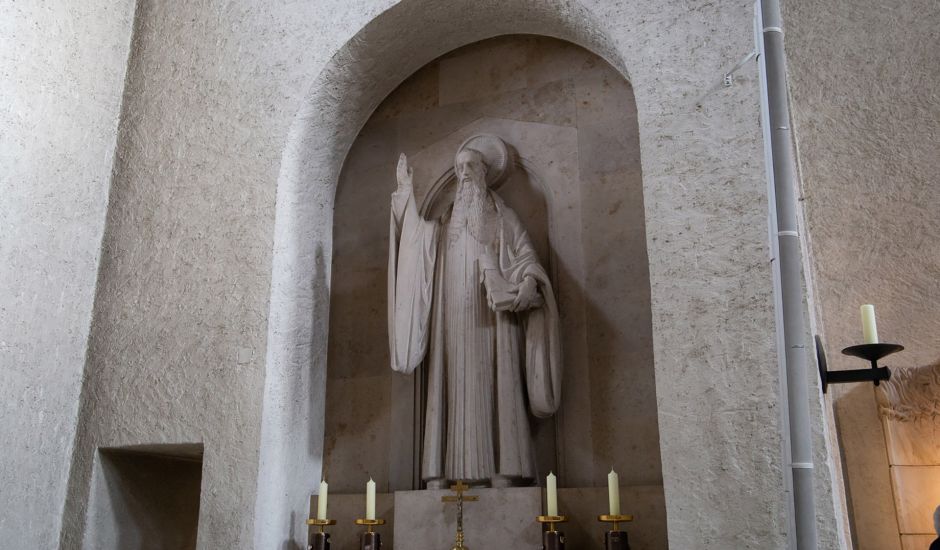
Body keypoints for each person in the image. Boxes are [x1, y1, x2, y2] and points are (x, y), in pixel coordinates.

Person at [387, 136, 562, 488]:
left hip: (494, 322)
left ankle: (503, 471)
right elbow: (416, 243)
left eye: (471, 166)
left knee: (497, 386)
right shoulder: (446, 221)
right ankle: (444, 473)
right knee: (449, 389)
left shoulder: (502, 217)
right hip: (450, 320)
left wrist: (529, 282)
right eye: (460, 167)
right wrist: (405, 194)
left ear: (484, 172)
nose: (464, 172)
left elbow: (527, 256)